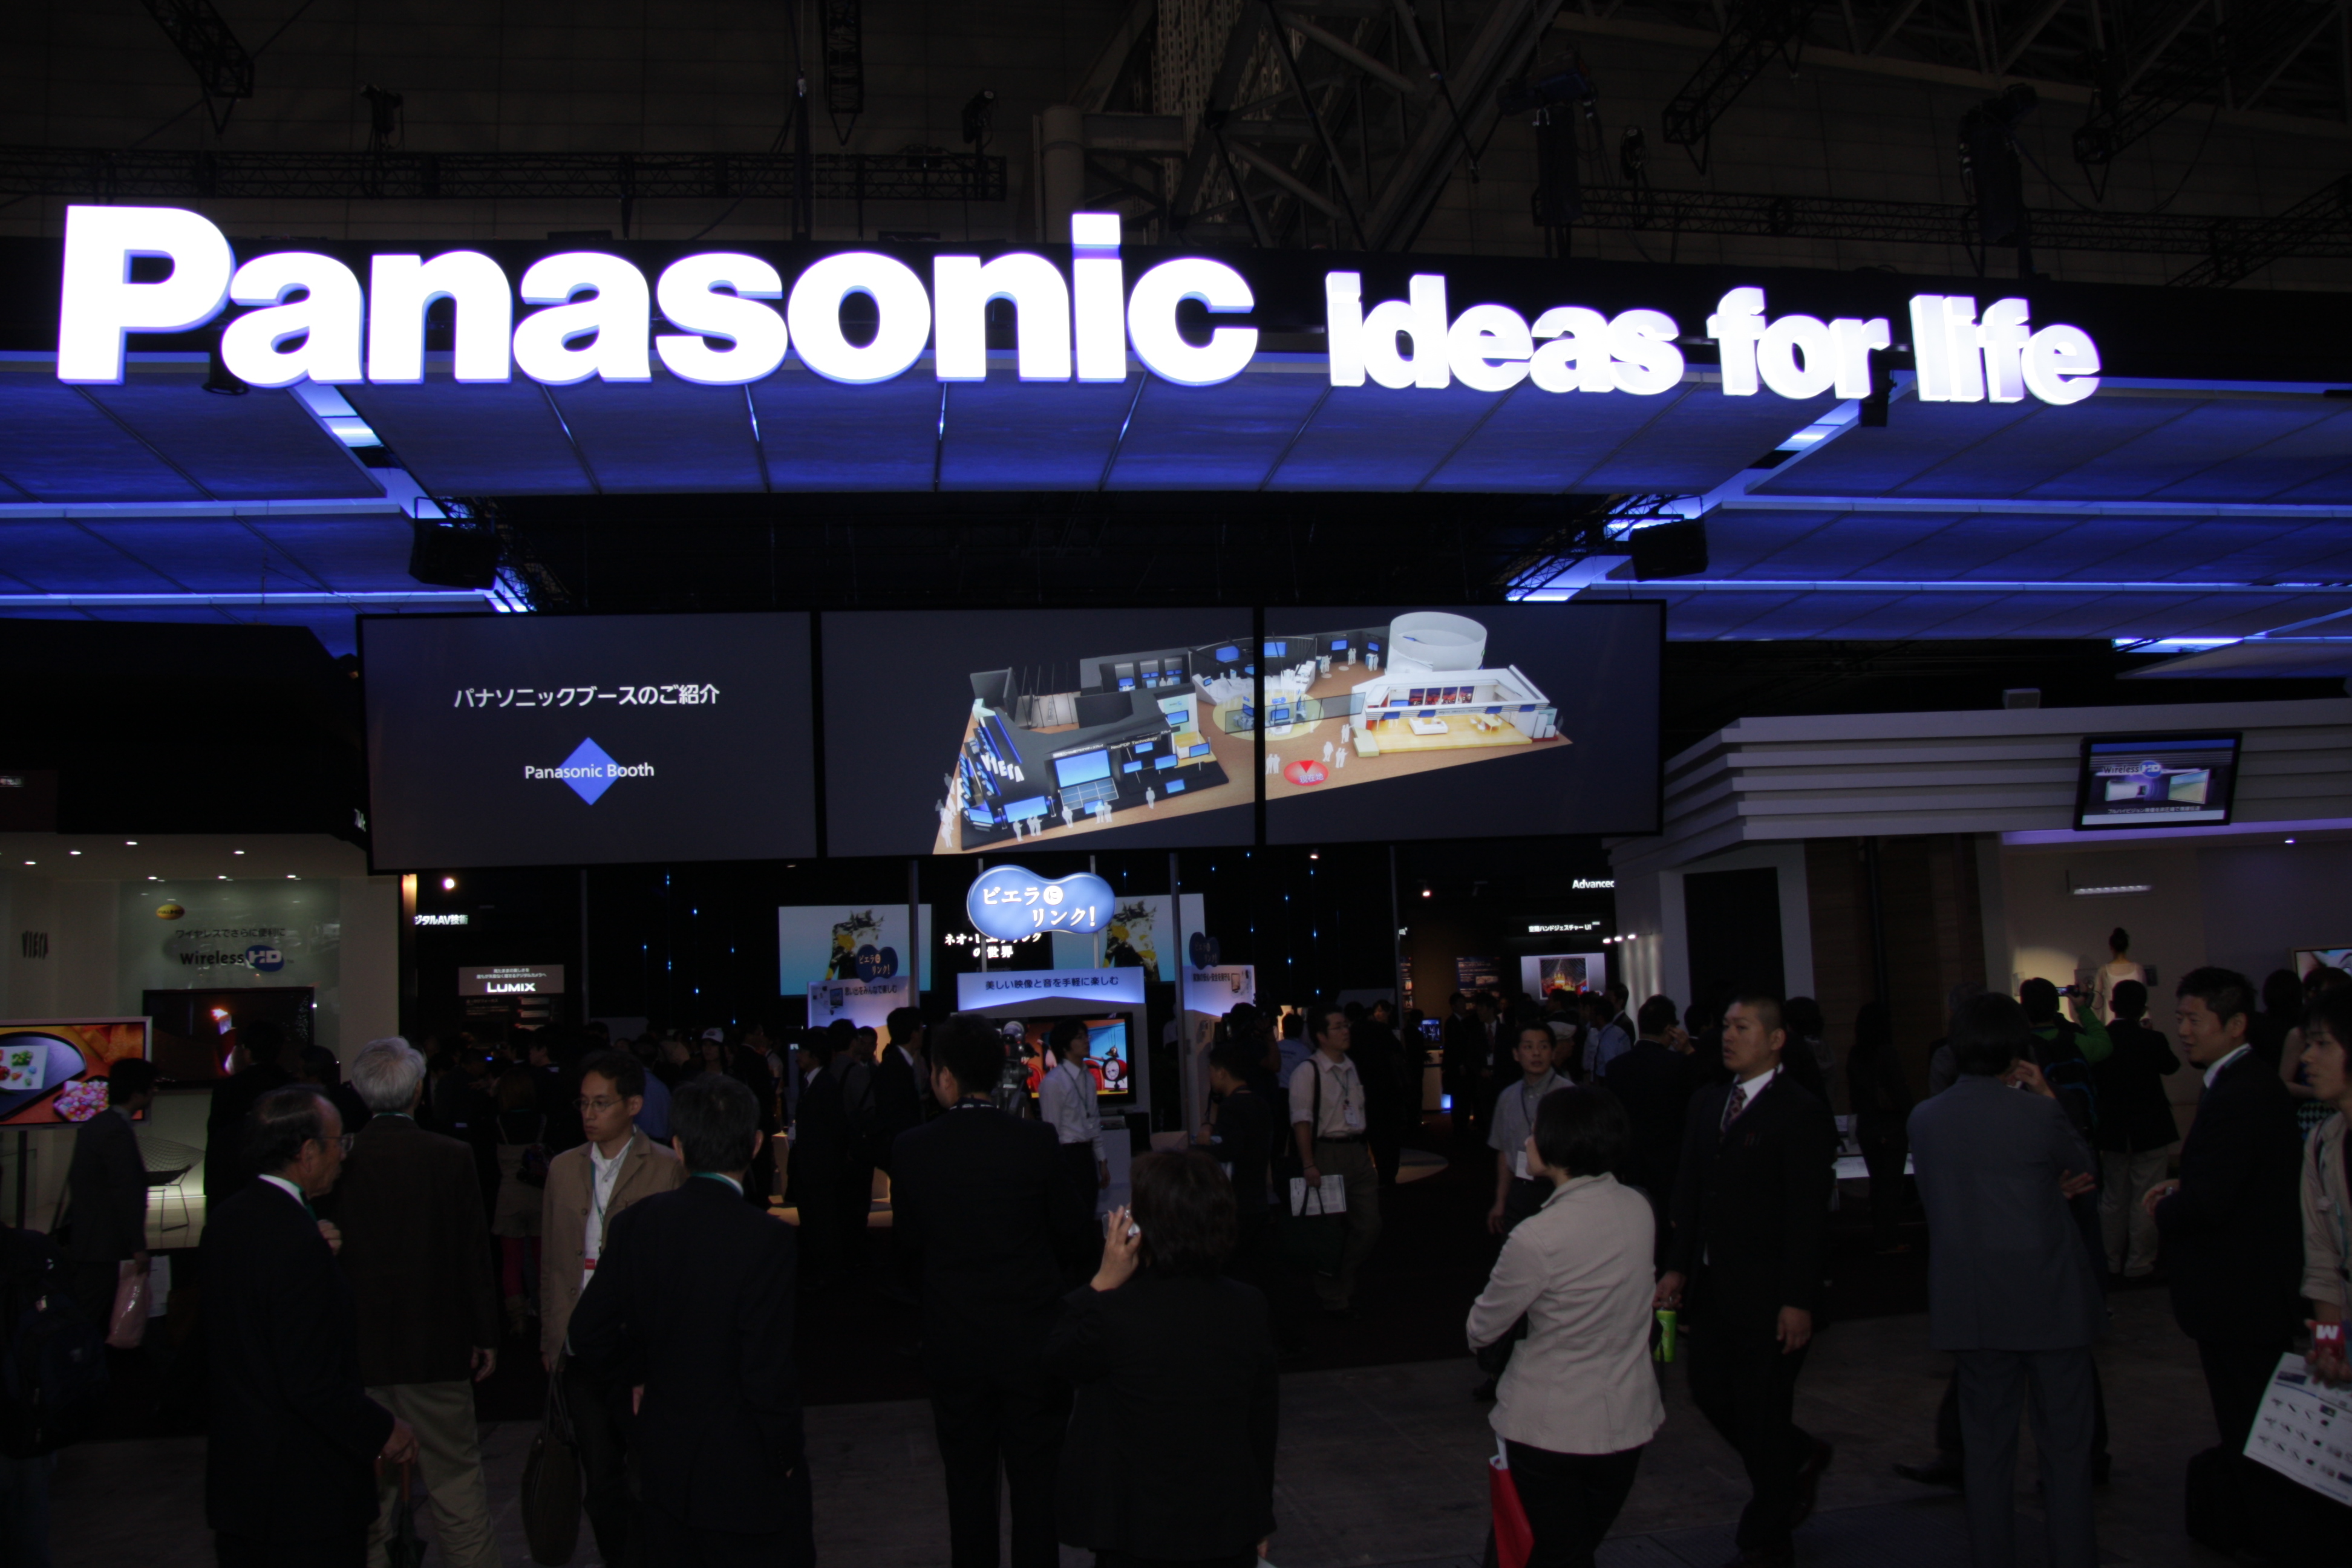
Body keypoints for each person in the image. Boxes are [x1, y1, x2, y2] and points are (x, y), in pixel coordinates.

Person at [569, 1073, 811, 1568]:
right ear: (756, 1145)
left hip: (664, 1455)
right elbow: (766, 1365)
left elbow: (586, 1332)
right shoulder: (767, 1239)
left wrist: (637, 1374)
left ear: (678, 1147)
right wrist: (785, 1451)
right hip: (744, 1461)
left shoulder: (636, 1224)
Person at [1907, 993, 2102, 1568]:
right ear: (2018, 1048)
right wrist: (2047, 1098)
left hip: (1973, 1305)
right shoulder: (2038, 1115)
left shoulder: (1927, 1118)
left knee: (1987, 1455)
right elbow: (2083, 1169)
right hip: (2050, 1300)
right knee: (2065, 1452)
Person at [891, 1016, 1093, 1568]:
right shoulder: (1035, 1141)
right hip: (1033, 1341)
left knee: (967, 1487)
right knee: (1037, 1488)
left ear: (944, 1077)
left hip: (955, 1342)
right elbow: (1075, 1233)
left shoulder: (913, 1149)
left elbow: (907, 1249)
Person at [1654, 992, 1837, 1568]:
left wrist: (1797, 1299)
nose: (1729, 1036)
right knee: (1710, 1390)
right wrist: (1676, 1266)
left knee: (1762, 1409)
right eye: (1728, 1026)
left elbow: (1807, 1216)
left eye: (1743, 1028)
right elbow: (1689, 1192)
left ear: (1776, 1040)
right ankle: (1798, 1456)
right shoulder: (1709, 1102)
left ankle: (1767, 1536)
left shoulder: (1799, 1111)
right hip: (1713, 1287)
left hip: (1771, 1294)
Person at [205, 1086, 415, 1566]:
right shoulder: (296, 1240)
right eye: (339, 1142)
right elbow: (310, 1380)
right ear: (307, 1153)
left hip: (242, 1486)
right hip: (303, 1497)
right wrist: (383, 1428)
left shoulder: (229, 1220)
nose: (344, 1154)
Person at [1046, 1151, 1278, 1568]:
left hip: (1136, 1529)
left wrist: (1101, 1282)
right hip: (1224, 1522)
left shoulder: (1116, 1311)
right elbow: (1260, 1422)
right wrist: (1259, 1513)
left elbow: (1059, 1359)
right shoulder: (1248, 1305)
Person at [1467, 1086, 1662, 1568]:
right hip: (1627, 1419)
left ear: (1560, 1142)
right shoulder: (1639, 1208)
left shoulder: (1537, 1236)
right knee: (1573, 1546)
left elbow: (1482, 1328)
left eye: (1535, 1132)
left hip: (1549, 1428)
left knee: (1547, 1552)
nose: (1527, 1141)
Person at [328, 1040, 501, 1568]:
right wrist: (486, 1333)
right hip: (436, 1348)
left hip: (361, 1353)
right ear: (419, 1090)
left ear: (360, 1092)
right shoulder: (450, 1155)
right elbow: (473, 1253)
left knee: (370, 1495)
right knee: (456, 1483)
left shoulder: (340, 1159)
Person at [2145, 967, 2304, 1516]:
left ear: (2235, 1024)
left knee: (2249, 1419)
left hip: (2241, 1294)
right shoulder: (2240, 1083)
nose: (2184, 1031)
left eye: (2195, 1019)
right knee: (2248, 1415)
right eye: (2180, 1019)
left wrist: (2165, 1208)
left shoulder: (2240, 1091)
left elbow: (2214, 1202)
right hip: (2248, 1291)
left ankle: (2264, 1528)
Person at [539, 1048, 684, 1568]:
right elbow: (552, 1262)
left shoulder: (666, 1167)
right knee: (600, 1480)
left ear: (633, 1106)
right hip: (580, 1347)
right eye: (583, 1103)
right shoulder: (563, 1169)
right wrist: (552, 1339)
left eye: (601, 1103)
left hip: (639, 1348)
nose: (589, 1114)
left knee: (648, 1476)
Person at [1289, 1002, 1382, 1316]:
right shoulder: (1308, 1071)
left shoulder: (1351, 1067)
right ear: (1321, 1035)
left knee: (1369, 1225)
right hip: (1325, 1153)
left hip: (1356, 1151)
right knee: (1327, 1230)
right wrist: (1308, 1163)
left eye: (1346, 1025)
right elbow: (1301, 1121)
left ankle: (1342, 1275)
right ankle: (1333, 1294)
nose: (1345, 1031)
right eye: (1338, 1027)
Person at [2089, 979, 2180, 1279]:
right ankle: (2139, 1263)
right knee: (2147, 1196)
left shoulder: (2102, 1041)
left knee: (2113, 1198)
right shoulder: (2152, 1039)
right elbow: (2172, 1066)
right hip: (2151, 1127)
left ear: (2112, 1006)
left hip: (2113, 1129)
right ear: (2143, 1009)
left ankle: (2110, 1261)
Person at [62, 1057, 153, 1330]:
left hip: (90, 1238)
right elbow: (125, 1191)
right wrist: (138, 1246)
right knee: (90, 1317)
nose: (155, 1092)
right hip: (103, 1243)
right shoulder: (115, 1131)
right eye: (152, 1087)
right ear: (137, 1093)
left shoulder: (98, 1124)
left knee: (89, 1313)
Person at [1604, 996, 1701, 1237]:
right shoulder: (1679, 1065)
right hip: (1671, 1166)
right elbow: (1700, 1104)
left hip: (1630, 1165)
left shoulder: (1616, 1067)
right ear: (1670, 1029)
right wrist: (1690, 1052)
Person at [2297, 987, 2352, 1387]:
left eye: (2322, 1044)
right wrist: (2333, 1347)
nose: (2307, 1057)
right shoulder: (2321, 1142)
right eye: (2307, 1044)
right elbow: (2323, 1262)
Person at [1844, 1002, 1914, 1255]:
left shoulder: (1856, 1054)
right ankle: (1889, 1238)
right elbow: (1899, 1091)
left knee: (1877, 1183)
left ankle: (1881, 1236)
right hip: (1890, 1126)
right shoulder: (1887, 1053)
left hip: (1867, 1125)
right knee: (1891, 1185)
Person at [202, 1018, 292, 1206]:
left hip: (233, 1182)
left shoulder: (228, 1088)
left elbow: (216, 1139)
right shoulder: (292, 1087)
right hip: (283, 1181)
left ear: (247, 1051)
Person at [1486, 1024, 1566, 1236]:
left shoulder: (1569, 1095)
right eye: (1528, 1047)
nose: (1536, 1053)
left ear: (1553, 1052)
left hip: (1559, 1190)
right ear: (1516, 1054)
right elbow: (1504, 1152)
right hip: (1520, 1189)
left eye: (1543, 1046)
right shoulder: (1507, 1097)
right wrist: (1500, 1200)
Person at [789, 1030, 851, 1285]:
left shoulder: (824, 1085)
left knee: (822, 1225)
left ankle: (826, 1275)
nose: (798, 1056)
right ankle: (821, 1273)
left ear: (815, 1055)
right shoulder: (813, 1082)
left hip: (819, 1171)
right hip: (812, 1170)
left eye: (803, 1051)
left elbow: (835, 1130)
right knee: (816, 1223)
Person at [488, 1068, 546, 1336]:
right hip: (539, 1195)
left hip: (509, 1196)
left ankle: (517, 1318)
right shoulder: (541, 1121)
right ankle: (545, 1313)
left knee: (511, 1262)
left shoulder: (498, 1122)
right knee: (543, 1260)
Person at [1039, 1018, 1110, 1218]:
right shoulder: (1053, 1082)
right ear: (1065, 1046)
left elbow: (1093, 1121)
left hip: (1086, 1155)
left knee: (1088, 1215)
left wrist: (1102, 1160)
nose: (1086, 1041)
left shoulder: (1088, 1077)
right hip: (1066, 1157)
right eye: (1079, 1037)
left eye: (1086, 1036)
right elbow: (1051, 1132)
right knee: (1070, 1219)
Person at [874, 1007, 927, 1169]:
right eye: (921, 1028)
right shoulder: (896, 1067)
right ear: (913, 1034)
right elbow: (896, 1114)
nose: (923, 1032)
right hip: (901, 1150)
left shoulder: (897, 1063)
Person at [2090, 926, 2146, 1024]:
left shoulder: (2104, 970)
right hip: (2136, 1019)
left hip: (2113, 1021)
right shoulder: (2138, 969)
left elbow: (2097, 1000)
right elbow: (2144, 998)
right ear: (2127, 946)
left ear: (2111, 947)